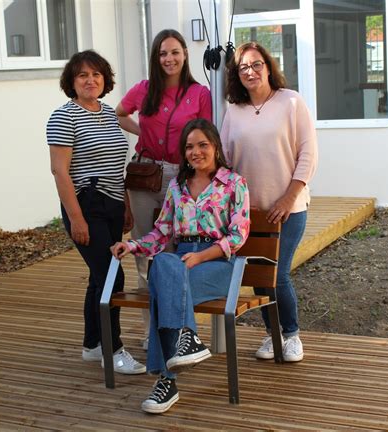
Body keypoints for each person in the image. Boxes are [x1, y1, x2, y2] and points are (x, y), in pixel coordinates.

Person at [111, 118, 250, 414]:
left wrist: (201, 257)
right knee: (164, 262)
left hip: (218, 263)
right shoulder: (177, 186)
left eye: (202, 145)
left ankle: (166, 382)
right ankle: (188, 340)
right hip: (182, 260)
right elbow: (162, 232)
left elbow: (238, 236)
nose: (195, 152)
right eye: (189, 147)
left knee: (164, 288)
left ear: (215, 146)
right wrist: (132, 246)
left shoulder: (234, 183)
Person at [46, 50, 145, 375]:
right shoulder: (64, 117)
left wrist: (126, 205)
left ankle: (92, 345)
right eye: (83, 75)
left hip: (113, 204)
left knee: (99, 276)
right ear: (72, 82)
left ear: (105, 80)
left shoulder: (109, 114)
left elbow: (117, 166)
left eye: (96, 74)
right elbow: (60, 172)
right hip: (86, 204)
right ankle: (112, 350)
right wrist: (76, 219)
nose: (90, 80)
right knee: (112, 276)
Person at [221, 42, 318, 363]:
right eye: (243, 67)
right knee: (259, 276)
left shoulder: (291, 102)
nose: (250, 71)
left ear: (268, 66)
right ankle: (272, 333)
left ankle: (291, 335)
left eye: (256, 64)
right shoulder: (234, 110)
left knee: (277, 274)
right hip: (249, 213)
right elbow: (225, 160)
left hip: (288, 209)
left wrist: (289, 197)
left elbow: (308, 154)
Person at [116, 29, 212, 348]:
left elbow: (206, 137)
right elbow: (119, 113)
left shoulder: (199, 93)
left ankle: (175, 329)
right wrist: (141, 132)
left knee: (173, 253)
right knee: (144, 253)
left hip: (180, 177)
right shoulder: (144, 89)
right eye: (162, 53)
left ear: (185, 54)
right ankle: (151, 332)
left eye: (174, 52)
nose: (168, 59)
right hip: (145, 175)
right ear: (155, 58)